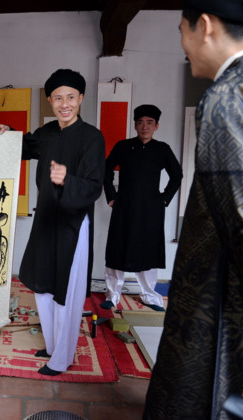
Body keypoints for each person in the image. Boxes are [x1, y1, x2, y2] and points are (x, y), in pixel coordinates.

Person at [144, 0, 243, 418]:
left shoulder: (230, 95)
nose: (183, 44)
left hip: (229, 317)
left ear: (205, 26)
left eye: (181, 31)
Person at [0, 69, 105, 376]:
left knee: (65, 290)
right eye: (58, 98)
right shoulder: (47, 133)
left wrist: (67, 180)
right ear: (49, 101)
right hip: (45, 219)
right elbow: (25, 145)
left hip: (73, 223)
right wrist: (7, 133)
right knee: (43, 285)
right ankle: (54, 344)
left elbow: (94, 186)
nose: (64, 104)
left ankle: (63, 357)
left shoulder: (92, 137)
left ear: (81, 98)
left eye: (70, 97)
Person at [101, 104, 182, 312]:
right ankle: (112, 295)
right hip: (124, 206)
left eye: (149, 123)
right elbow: (106, 169)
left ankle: (150, 296)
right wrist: (111, 196)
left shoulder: (162, 149)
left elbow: (177, 175)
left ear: (156, 126)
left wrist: (164, 199)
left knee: (148, 253)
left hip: (150, 209)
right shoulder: (123, 146)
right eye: (140, 122)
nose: (145, 127)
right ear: (135, 125)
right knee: (117, 250)